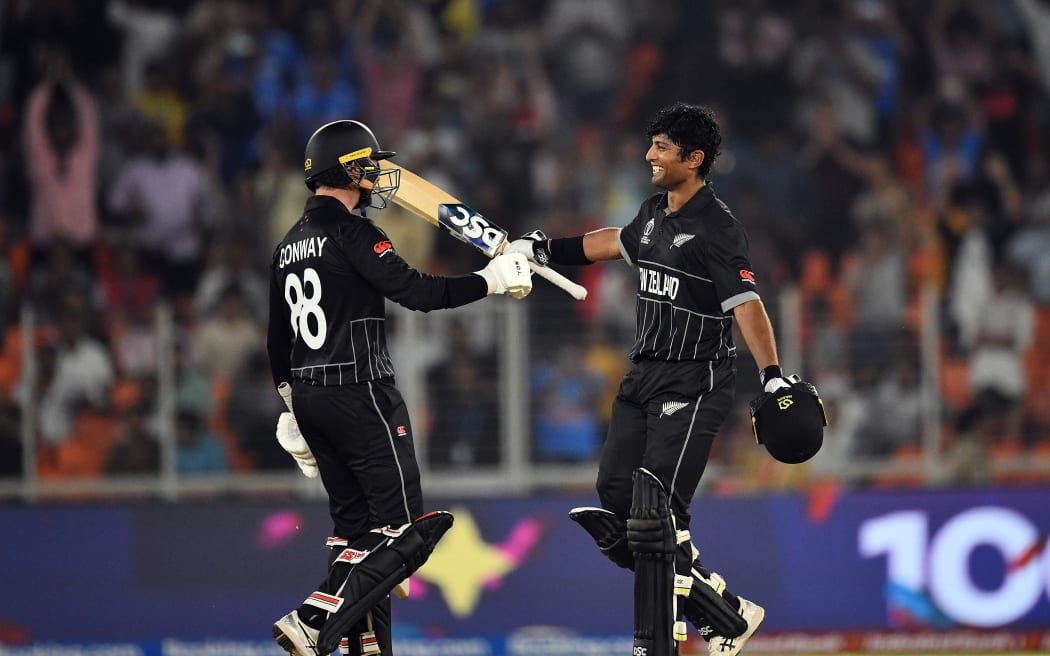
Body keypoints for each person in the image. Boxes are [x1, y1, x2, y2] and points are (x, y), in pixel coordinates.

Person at [508, 102, 793, 656]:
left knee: (656, 512)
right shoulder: (654, 213)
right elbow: (616, 241)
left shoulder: (718, 227)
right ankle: (725, 613)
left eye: (662, 148)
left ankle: (661, 642)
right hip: (642, 377)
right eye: (652, 145)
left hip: (694, 382)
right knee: (616, 494)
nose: (649, 156)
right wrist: (547, 250)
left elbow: (746, 302)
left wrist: (774, 376)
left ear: (695, 158)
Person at [267, 119, 532, 656]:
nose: (377, 175)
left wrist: (294, 407)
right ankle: (318, 617)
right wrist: (493, 279)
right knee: (403, 533)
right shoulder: (354, 233)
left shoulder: (288, 244)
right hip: (360, 390)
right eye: (367, 164)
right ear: (346, 170)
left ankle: (363, 648)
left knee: (354, 536)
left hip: (312, 394)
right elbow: (416, 292)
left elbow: (277, 341)